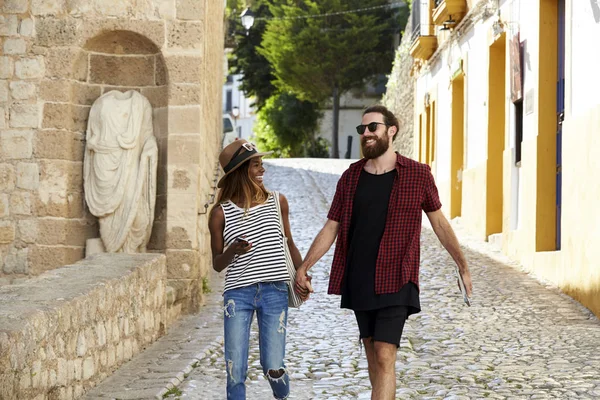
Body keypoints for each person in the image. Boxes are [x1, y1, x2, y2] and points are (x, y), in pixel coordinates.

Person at [294, 105, 473, 400]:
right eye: (361, 130)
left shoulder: (417, 175)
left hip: (397, 276)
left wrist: (462, 266)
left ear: (391, 130)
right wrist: (304, 266)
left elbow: (439, 222)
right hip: (360, 278)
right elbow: (331, 227)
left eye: (372, 127)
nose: (366, 134)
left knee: (384, 354)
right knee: (372, 355)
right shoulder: (350, 178)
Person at [208, 139, 303, 400]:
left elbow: (289, 242)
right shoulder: (220, 213)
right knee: (234, 368)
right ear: (240, 172)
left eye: (261, 164)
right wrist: (232, 251)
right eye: (255, 166)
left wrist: (302, 272)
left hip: (275, 292)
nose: (262, 170)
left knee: (273, 366)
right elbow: (217, 264)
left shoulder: (277, 201)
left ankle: (281, 392)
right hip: (238, 294)